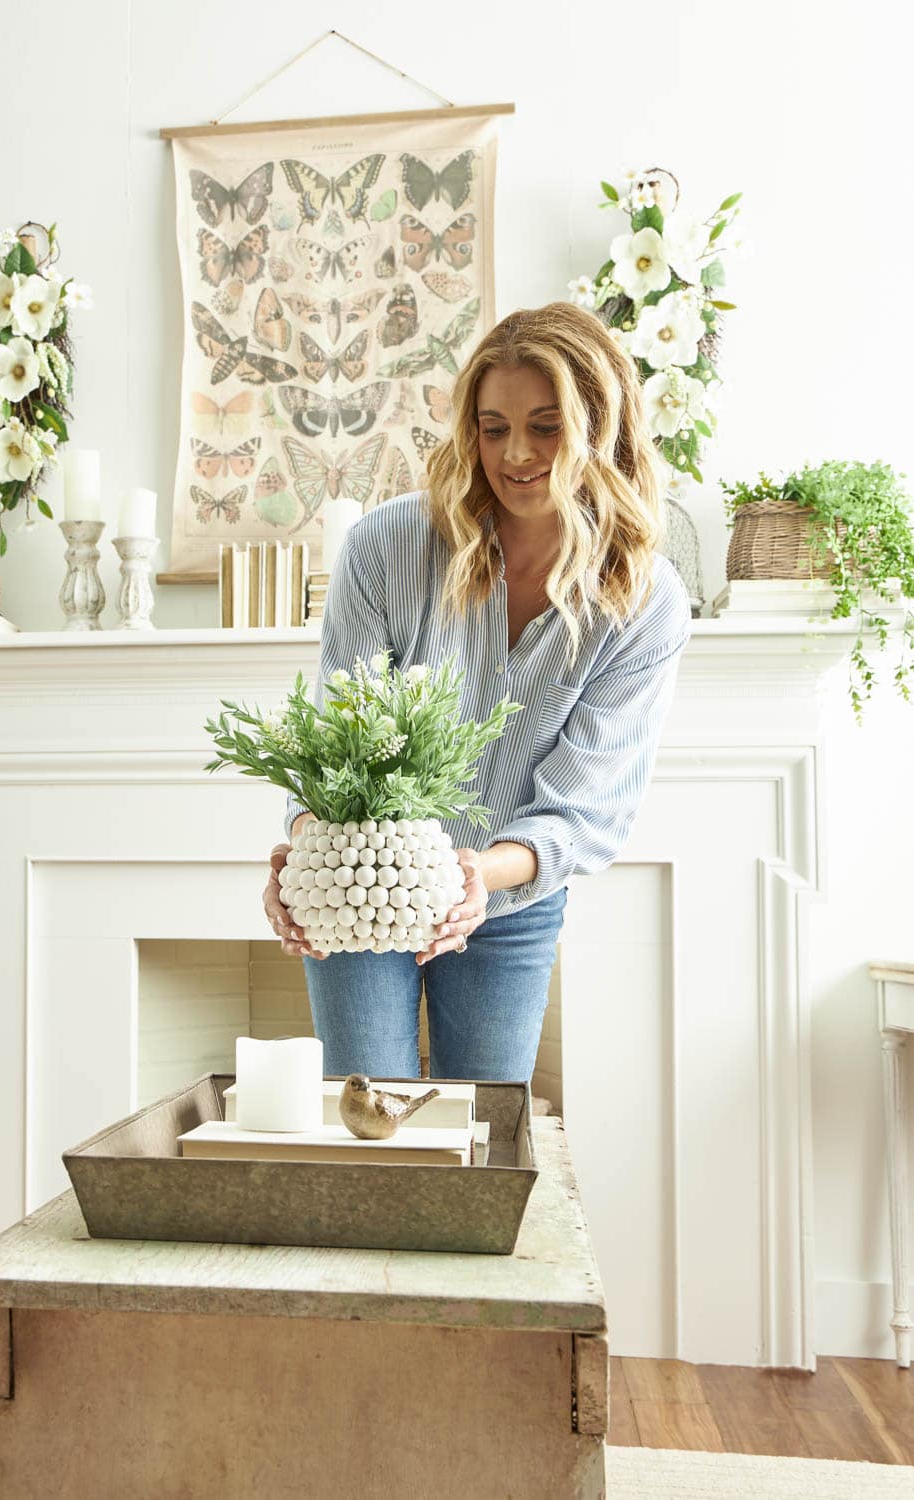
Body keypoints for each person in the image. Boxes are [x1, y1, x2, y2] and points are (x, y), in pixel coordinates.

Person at [262, 301, 691, 1081]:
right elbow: (334, 744)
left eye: (546, 425)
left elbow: (583, 807)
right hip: (363, 888)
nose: (516, 453)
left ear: (601, 430)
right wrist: (306, 855)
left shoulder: (643, 600)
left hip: (508, 906)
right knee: (368, 1131)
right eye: (494, 428)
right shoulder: (385, 548)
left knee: (483, 1140)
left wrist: (474, 876)